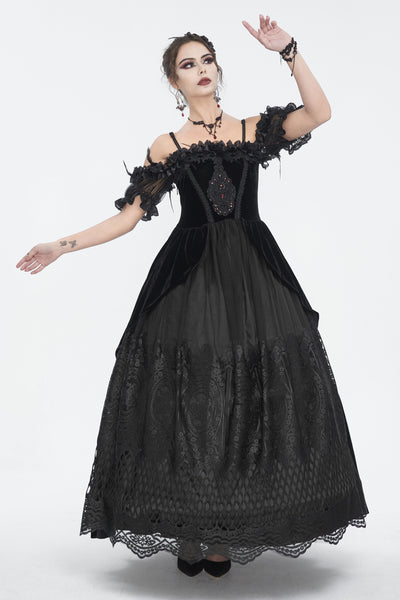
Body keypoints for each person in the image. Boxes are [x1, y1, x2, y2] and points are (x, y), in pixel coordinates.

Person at [16, 16, 369, 579]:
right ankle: (190, 525)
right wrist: (62, 245)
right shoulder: (169, 145)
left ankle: (224, 529)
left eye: (207, 60)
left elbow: (320, 113)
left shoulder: (252, 130)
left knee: (251, 393)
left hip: (253, 274)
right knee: (196, 396)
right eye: (188, 64)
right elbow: (129, 216)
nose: (201, 69)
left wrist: (289, 51)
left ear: (217, 69)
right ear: (174, 81)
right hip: (192, 276)